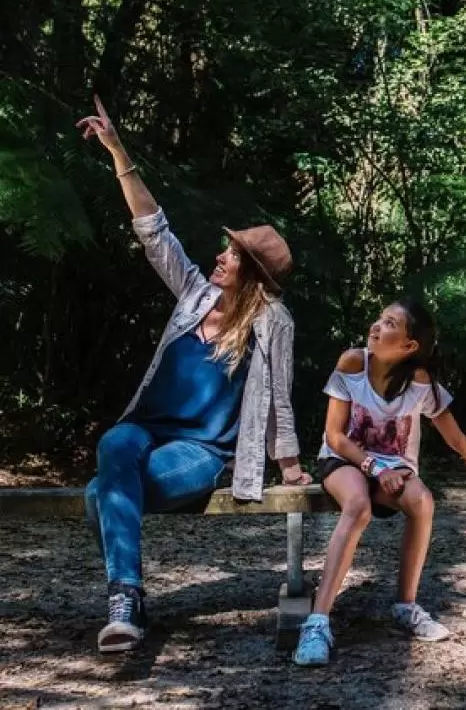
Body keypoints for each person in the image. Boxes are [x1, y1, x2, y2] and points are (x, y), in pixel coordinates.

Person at [76, 95, 311, 654]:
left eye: (230, 255)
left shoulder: (271, 321)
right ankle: (127, 600)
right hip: (146, 429)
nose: (219, 257)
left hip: (199, 451)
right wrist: (117, 151)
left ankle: (126, 605)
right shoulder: (194, 293)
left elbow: (279, 394)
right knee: (115, 444)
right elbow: (153, 230)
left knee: (98, 497)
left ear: (249, 273)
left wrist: (291, 464)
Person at [293, 298, 466, 666]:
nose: (375, 326)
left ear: (409, 345)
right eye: (379, 319)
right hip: (346, 460)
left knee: (422, 501)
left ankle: (406, 606)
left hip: (395, 469)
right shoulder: (352, 363)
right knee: (358, 505)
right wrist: (374, 468)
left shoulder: (421, 384)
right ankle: (318, 622)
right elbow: (335, 436)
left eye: (388, 323)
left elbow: (457, 439)